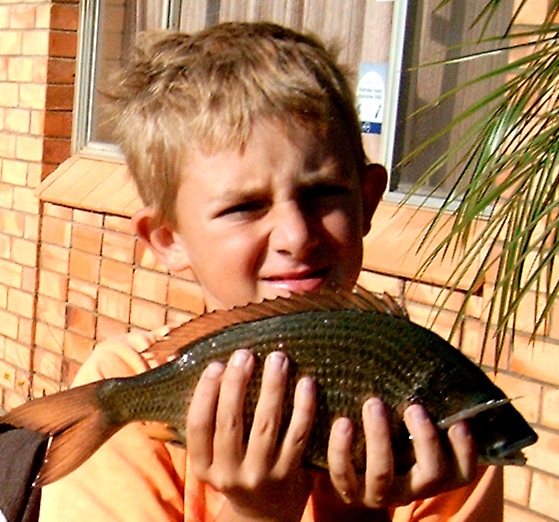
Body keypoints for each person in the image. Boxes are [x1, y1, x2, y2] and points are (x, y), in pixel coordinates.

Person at [38, 22, 503, 522]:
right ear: (168, 240)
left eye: (322, 192)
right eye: (244, 206)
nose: (296, 235)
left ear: (367, 200)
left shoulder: (443, 426)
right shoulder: (128, 387)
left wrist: (356, 512)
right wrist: (254, 513)